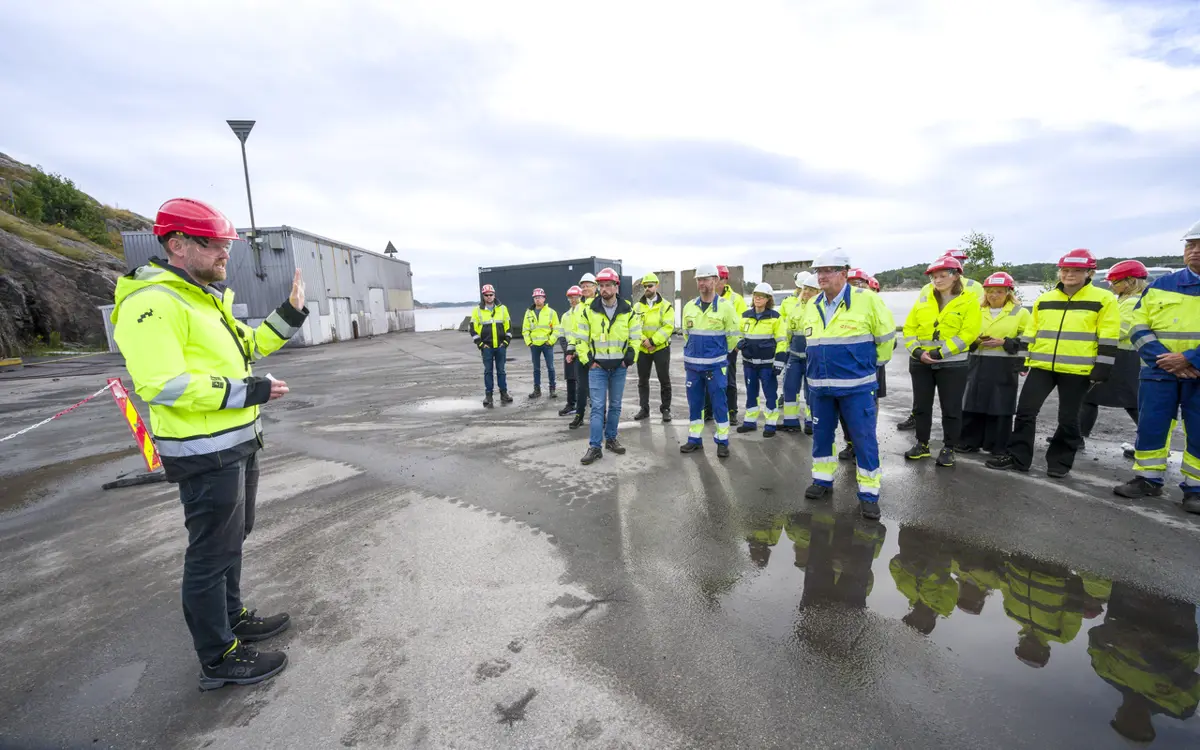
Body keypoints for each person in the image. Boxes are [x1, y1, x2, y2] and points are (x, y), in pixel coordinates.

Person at [111, 197, 308, 690]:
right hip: (203, 450)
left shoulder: (203, 298)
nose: (225, 253)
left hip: (234, 443)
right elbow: (162, 384)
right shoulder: (153, 302)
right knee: (209, 553)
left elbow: (253, 345)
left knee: (233, 538)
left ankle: (232, 618)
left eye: (225, 244)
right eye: (215, 244)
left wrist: (291, 312)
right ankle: (218, 657)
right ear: (177, 244)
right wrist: (250, 392)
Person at [987, 248, 1120, 478]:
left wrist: (1103, 367)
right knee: (1025, 412)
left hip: (1078, 369)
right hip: (1042, 366)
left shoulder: (1103, 299)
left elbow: (1109, 335)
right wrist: (1022, 359)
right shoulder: (1045, 299)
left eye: (1076, 271)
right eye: (1065, 270)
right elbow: (1031, 332)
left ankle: (1060, 462)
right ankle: (1018, 457)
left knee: (1068, 419)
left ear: (1089, 272)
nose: (1069, 275)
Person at [801, 248, 896, 520]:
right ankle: (822, 480)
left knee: (863, 439)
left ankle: (869, 493)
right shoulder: (812, 305)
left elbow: (886, 340)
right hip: (820, 387)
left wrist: (868, 367)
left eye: (827, 271)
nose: (821, 276)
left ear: (843, 273)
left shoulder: (867, 300)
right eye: (819, 271)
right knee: (821, 437)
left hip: (857, 387)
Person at [1114, 221, 1200, 510]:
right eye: (1190, 245)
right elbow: (1137, 325)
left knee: (1199, 430)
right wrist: (1163, 358)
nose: (1195, 251)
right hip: (1158, 371)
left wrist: (1190, 359)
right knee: (1151, 425)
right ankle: (1147, 479)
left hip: (1197, 371)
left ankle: (1195, 489)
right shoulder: (1162, 285)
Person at [1087, 582, 1200, 744]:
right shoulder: (1180, 708)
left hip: (1127, 610)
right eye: (1135, 730)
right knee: (1173, 571)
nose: (1130, 722)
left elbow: (1095, 638)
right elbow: (1193, 683)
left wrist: (1114, 635)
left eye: (1123, 725)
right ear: (1148, 729)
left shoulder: (1104, 670)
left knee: (1135, 564)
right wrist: (1150, 653)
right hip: (1174, 627)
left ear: (1117, 715)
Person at [901, 256, 982, 467]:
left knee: (951, 408)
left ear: (956, 276)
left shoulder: (969, 301)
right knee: (921, 406)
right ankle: (922, 444)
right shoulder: (924, 299)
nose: (937, 280)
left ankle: (949, 448)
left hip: (952, 364)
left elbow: (969, 333)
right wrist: (917, 351)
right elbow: (909, 328)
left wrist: (940, 353)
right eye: (934, 277)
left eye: (942, 276)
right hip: (921, 362)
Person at [959, 272, 1031, 455]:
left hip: (1004, 365)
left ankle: (997, 445)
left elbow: (1028, 338)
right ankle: (969, 441)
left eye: (999, 291)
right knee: (972, 402)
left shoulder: (1020, 313)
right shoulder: (976, 310)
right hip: (977, 361)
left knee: (1000, 404)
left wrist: (1005, 343)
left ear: (1008, 292)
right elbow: (965, 333)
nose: (993, 295)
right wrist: (975, 341)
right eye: (990, 291)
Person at [1080, 261, 1147, 456]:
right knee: (1090, 396)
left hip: (1122, 357)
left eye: (1115, 281)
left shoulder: (1132, 302)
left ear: (1130, 281)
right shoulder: (1124, 300)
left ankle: (1151, 442)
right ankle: (1077, 436)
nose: (1111, 285)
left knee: (1131, 401)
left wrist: (1091, 331)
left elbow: (1121, 329)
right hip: (1120, 355)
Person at [575, 267, 639, 464]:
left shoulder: (628, 310)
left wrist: (628, 359)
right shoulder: (588, 311)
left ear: (616, 287)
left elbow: (635, 338)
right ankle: (595, 447)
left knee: (616, 405)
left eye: (608, 285)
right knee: (597, 407)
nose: (604, 289)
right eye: (601, 286)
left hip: (619, 368)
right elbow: (581, 339)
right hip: (598, 369)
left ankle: (611, 438)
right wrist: (588, 361)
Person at [680, 264, 741, 458]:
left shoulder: (726, 307)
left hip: (716, 366)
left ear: (715, 280)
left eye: (705, 279)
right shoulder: (689, 306)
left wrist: (719, 354)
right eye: (699, 279)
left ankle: (722, 441)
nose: (702, 283)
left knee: (719, 404)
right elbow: (686, 334)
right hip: (693, 367)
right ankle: (694, 439)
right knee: (695, 404)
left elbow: (733, 337)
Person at [836, 268, 888, 460]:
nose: (856, 286)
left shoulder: (874, 303)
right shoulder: (840, 304)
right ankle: (850, 443)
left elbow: (888, 337)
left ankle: (865, 443)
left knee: (868, 407)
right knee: (844, 407)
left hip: (869, 367)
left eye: (860, 282)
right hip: (845, 368)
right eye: (852, 282)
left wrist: (876, 362)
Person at [736, 283, 788, 437]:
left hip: (767, 365)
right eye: (756, 294)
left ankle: (770, 424)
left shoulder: (775, 317)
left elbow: (782, 341)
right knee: (751, 393)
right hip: (749, 363)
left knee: (770, 394)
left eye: (762, 295)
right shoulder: (745, 316)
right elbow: (739, 334)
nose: (758, 297)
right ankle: (750, 422)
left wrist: (779, 362)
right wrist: (739, 342)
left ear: (768, 299)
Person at [704, 264, 748, 425]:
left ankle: (732, 411)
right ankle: (708, 411)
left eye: (719, 279)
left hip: (729, 347)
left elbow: (743, 322)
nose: (716, 283)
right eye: (714, 279)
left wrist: (737, 344)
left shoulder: (736, 299)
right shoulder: (706, 297)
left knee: (729, 380)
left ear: (724, 279)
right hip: (710, 347)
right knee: (708, 378)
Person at [631, 272, 675, 423]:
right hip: (643, 349)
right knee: (643, 380)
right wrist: (645, 341)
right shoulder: (637, 306)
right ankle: (644, 409)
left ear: (657, 285)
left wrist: (653, 341)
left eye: (650, 286)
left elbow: (668, 327)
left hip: (660, 348)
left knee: (664, 379)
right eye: (645, 286)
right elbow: (634, 326)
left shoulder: (666, 306)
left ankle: (666, 409)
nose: (647, 289)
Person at [781, 272, 820, 433]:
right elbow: (788, 331)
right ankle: (790, 422)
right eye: (804, 289)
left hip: (813, 358)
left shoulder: (821, 308)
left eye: (810, 290)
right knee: (789, 388)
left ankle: (811, 423)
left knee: (811, 392)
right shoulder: (796, 307)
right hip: (794, 356)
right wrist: (784, 352)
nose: (805, 293)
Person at [471, 284, 514, 407]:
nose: (489, 297)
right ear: (483, 296)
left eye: (491, 294)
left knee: (501, 371)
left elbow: (508, 326)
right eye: (486, 295)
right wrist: (480, 344)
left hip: (500, 346)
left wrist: (505, 342)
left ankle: (503, 393)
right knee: (488, 372)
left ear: (494, 295)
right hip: (487, 348)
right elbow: (473, 330)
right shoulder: (477, 311)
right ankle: (488, 395)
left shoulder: (503, 309)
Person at [569, 272, 598, 429]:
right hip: (581, 354)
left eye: (589, 285)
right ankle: (579, 416)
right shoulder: (578, 307)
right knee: (581, 388)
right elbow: (575, 331)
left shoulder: (600, 304)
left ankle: (601, 416)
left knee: (598, 388)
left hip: (598, 354)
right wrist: (570, 350)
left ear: (595, 287)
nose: (585, 288)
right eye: (583, 286)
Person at [522, 287, 559, 399]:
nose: (538, 299)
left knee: (551, 367)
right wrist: (529, 343)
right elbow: (525, 329)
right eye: (536, 297)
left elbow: (557, 329)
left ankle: (552, 389)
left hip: (547, 345)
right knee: (536, 368)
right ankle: (537, 390)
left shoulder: (551, 312)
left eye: (540, 297)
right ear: (534, 299)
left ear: (544, 298)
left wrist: (550, 341)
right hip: (534, 346)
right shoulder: (528, 313)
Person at [557, 285, 584, 416]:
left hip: (582, 350)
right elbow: (561, 334)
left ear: (580, 297)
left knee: (583, 379)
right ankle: (571, 404)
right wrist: (567, 350)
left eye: (575, 297)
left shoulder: (584, 312)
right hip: (569, 351)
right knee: (570, 379)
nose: (573, 300)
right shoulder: (565, 316)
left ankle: (582, 404)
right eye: (571, 298)